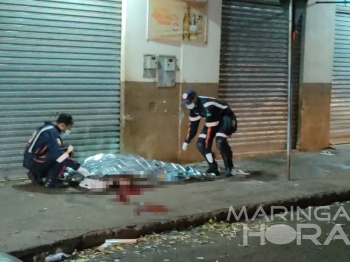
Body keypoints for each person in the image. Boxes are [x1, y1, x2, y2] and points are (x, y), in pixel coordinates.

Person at [23, 113, 89, 188]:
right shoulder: (52, 133)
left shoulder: (48, 128)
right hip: (34, 161)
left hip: (31, 160)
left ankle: (37, 174)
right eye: (69, 127)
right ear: (63, 125)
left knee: (59, 152)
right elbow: (60, 155)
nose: (69, 130)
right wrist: (79, 168)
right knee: (65, 153)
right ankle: (51, 181)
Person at [181, 89, 237, 177]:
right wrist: (187, 141)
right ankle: (213, 167)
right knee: (200, 144)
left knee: (220, 141)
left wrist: (207, 150)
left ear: (194, 99)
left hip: (226, 118)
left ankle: (230, 167)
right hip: (212, 121)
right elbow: (193, 127)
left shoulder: (207, 106)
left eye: (189, 102)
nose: (187, 105)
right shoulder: (194, 109)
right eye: (186, 103)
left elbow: (210, 133)